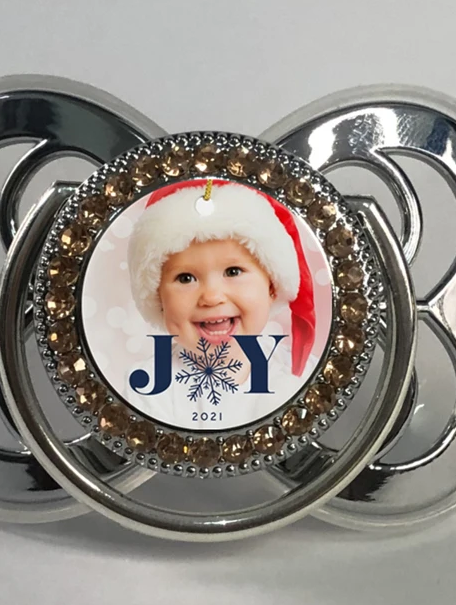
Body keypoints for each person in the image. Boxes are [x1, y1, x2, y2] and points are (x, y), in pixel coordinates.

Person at [124, 179, 317, 430]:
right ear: (158, 298)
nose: (212, 297)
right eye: (186, 278)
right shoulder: (147, 386)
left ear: (271, 286)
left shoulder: (302, 375)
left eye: (233, 271)